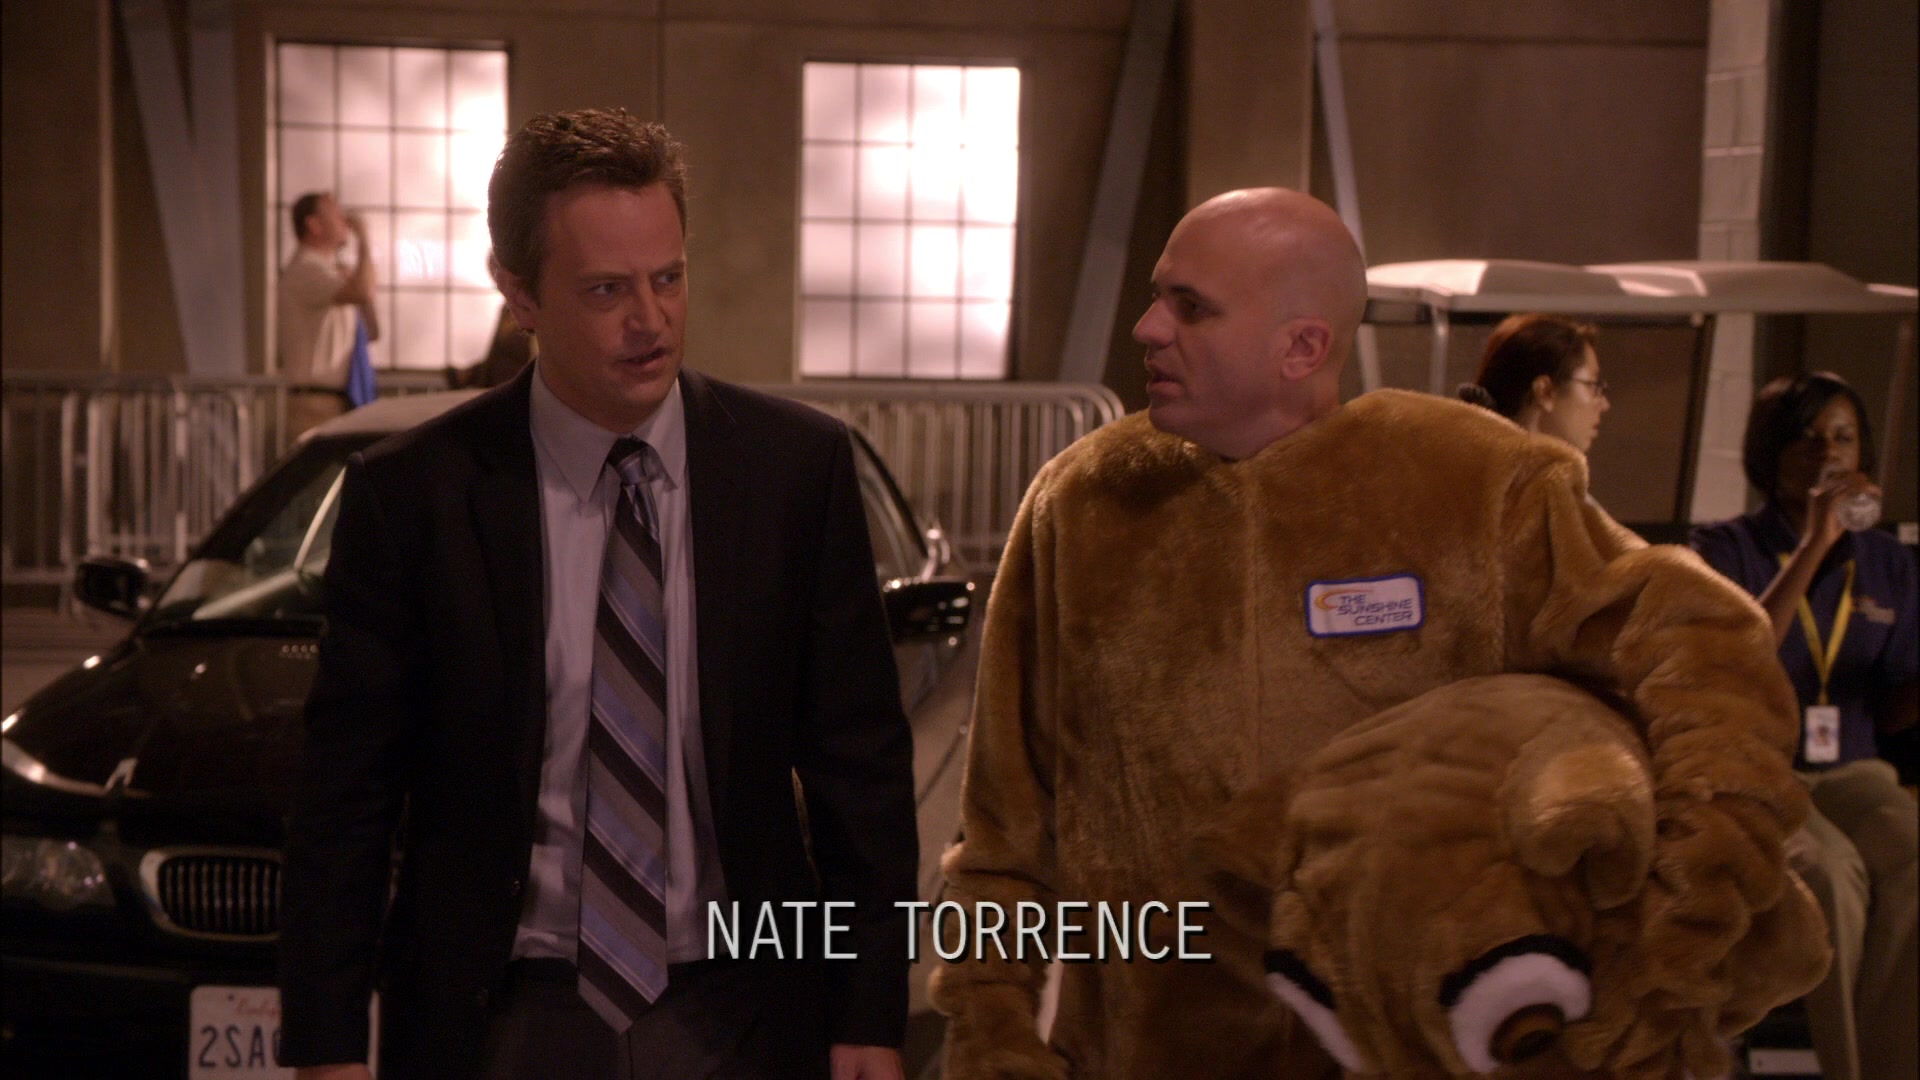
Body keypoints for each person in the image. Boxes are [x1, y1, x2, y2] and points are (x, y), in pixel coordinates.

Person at [929, 189, 1811, 1079]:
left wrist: (1690, 908)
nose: (1148, 328)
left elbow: (1704, 643)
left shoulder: (1474, 484)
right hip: (1147, 1054)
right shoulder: (1083, 504)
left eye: (1190, 307)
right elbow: (1004, 826)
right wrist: (988, 1027)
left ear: (1303, 346)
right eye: (1159, 297)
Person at [277, 110, 917, 1080]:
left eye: (669, 278)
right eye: (608, 289)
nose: (650, 320)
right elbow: (346, 793)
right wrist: (326, 1042)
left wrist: (869, 1012)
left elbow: (858, 770)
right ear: (519, 295)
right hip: (502, 1015)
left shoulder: (794, 471)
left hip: (740, 1007)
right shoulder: (415, 496)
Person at [1690, 371, 1917, 1080]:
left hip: (1856, 771)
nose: (1829, 453)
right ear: (1770, 453)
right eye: (1808, 438)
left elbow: (1895, 708)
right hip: (1764, 770)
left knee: (1913, 853)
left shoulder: (1890, 563)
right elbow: (1741, 657)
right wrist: (1817, 543)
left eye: (1844, 438)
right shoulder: (1723, 548)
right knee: (1831, 872)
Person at [278, 191, 380, 439]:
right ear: (314, 225)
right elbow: (364, 292)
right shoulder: (306, 269)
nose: (345, 221)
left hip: (336, 400)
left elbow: (372, 330)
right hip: (315, 405)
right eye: (336, 215)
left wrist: (353, 278)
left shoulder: (329, 274)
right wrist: (364, 240)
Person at [1456, 312, 1610, 454]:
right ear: (1545, 392)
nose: (1604, 405)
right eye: (1594, 386)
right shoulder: (1497, 470)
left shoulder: (1464, 456)